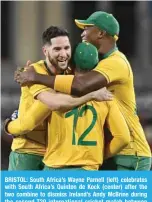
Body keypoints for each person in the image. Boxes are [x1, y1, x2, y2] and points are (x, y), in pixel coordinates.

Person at [15, 11, 152, 170]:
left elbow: (80, 85)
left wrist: (37, 77)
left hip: (130, 153)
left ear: (100, 33)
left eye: (87, 28)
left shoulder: (116, 62)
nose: (82, 33)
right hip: (112, 149)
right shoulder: (101, 63)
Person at [9, 42, 130, 170]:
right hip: (87, 169)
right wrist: (100, 155)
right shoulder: (106, 96)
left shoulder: (56, 93)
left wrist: (8, 125)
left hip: (54, 169)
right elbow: (123, 138)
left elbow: (28, 123)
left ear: (70, 65)